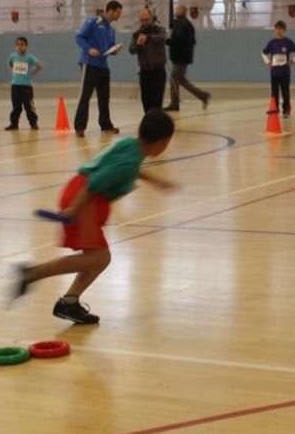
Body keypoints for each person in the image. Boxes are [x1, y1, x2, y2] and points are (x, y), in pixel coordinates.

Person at [13, 110, 176, 324]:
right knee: (100, 257)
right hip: (86, 198)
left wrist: (155, 181)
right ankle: (33, 273)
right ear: (162, 141)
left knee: (98, 258)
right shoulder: (129, 163)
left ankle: (69, 302)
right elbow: (96, 181)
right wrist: (74, 208)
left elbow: (126, 168)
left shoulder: (130, 146)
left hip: (82, 194)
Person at [74, 0, 122, 138]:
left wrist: (114, 50)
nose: (119, 16)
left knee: (104, 97)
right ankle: (80, 127)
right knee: (86, 96)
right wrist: (89, 49)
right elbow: (79, 37)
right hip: (89, 64)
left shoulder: (111, 29)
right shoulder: (94, 21)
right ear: (111, 10)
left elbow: (110, 46)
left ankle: (106, 125)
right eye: (118, 12)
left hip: (103, 66)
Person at [164, 4, 210, 112]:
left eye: (177, 9)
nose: (175, 11)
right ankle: (201, 96)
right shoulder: (183, 23)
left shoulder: (182, 24)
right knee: (179, 80)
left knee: (175, 79)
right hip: (182, 57)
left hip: (181, 57)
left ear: (182, 11)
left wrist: (166, 41)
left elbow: (179, 40)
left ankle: (177, 103)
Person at [262, 20, 295, 117]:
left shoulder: (288, 42)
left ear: (284, 30)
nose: (278, 31)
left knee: (285, 92)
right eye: (276, 29)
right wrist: (268, 62)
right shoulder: (272, 43)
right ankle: (275, 109)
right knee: (274, 93)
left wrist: (292, 61)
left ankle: (286, 110)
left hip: (285, 73)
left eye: (280, 29)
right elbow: (263, 53)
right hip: (274, 73)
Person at [130, 7, 167, 114]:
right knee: (145, 100)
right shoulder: (136, 34)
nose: (144, 22)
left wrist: (148, 38)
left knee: (157, 100)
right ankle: (149, 122)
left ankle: (156, 124)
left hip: (158, 71)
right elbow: (131, 50)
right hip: (144, 72)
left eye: (146, 19)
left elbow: (162, 39)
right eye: (142, 20)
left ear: (151, 18)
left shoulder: (160, 30)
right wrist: (138, 44)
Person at [5, 36, 42, 131]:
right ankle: (14, 123)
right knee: (16, 106)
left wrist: (32, 74)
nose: (20, 47)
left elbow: (39, 66)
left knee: (28, 106)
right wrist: (12, 72)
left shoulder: (29, 57)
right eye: (18, 45)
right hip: (15, 85)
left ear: (26, 46)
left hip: (26, 86)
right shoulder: (13, 56)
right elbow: (9, 63)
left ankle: (33, 123)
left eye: (22, 45)